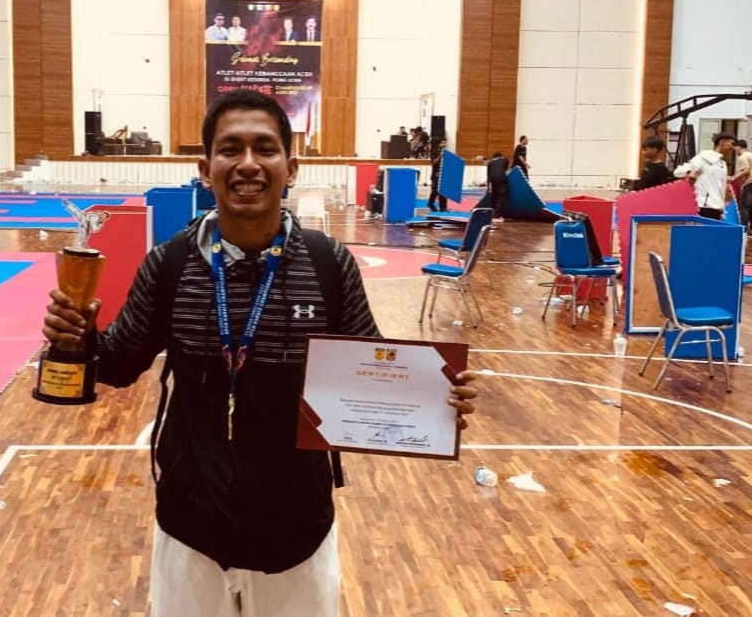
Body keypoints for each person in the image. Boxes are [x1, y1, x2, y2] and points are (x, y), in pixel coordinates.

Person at [41, 89, 479, 617]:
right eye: (230, 149)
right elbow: (118, 363)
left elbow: (373, 373)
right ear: (205, 169)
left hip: (297, 532)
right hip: (190, 529)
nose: (247, 164)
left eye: (265, 148)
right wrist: (79, 339)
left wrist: (434, 400)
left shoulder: (328, 265)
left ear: (290, 167)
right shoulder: (170, 265)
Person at [674, 131, 735, 220]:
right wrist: (690, 171)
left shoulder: (723, 164)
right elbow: (677, 172)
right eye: (731, 144)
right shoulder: (703, 158)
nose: (733, 148)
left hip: (717, 207)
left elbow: (721, 188)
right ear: (722, 142)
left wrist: (722, 209)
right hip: (704, 206)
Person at [732, 139, 752, 234]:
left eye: (735, 149)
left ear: (738, 147)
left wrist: (734, 178)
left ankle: (744, 230)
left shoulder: (743, 157)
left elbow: (746, 170)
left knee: (744, 207)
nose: (735, 151)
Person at [486, 152, 510, 219]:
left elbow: (488, 176)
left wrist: (488, 188)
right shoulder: (505, 160)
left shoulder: (490, 163)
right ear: (501, 156)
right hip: (501, 178)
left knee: (494, 195)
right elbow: (507, 171)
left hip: (493, 179)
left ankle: (492, 211)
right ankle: (496, 214)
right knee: (502, 196)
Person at [427, 138, 448, 212]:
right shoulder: (434, 152)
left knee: (444, 191)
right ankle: (430, 204)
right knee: (435, 191)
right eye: (442, 143)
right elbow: (433, 162)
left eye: (445, 142)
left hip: (443, 174)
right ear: (438, 144)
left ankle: (443, 207)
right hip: (436, 175)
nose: (444, 144)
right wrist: (440, 156)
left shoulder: (446, 152)